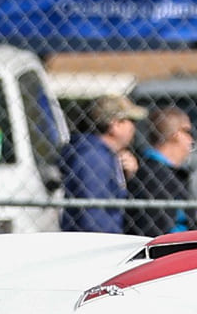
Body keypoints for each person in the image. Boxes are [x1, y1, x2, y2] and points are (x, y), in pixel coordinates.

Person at [60, 93, 145, 233]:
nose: (133, 128)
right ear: (115, 124)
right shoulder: (94, 157)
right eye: (130, 121)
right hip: (98, 243)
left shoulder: (104, 154)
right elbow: (94, 215)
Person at [125, 105, 196, 237]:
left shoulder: (168, 172)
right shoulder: (154, 174)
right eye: (188, 132)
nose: (191, 140)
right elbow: (159, 228)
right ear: (175, 134)